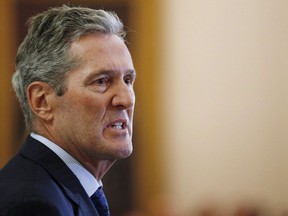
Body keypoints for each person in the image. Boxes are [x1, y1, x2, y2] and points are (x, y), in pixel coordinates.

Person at [0, 5, 136, 216]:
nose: (126, 99)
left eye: (128, 80)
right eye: (101, 81)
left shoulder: (60, 189)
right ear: (42, 101)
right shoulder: (34, 204)